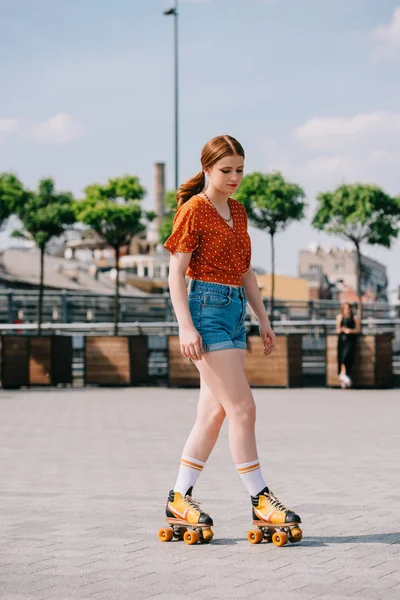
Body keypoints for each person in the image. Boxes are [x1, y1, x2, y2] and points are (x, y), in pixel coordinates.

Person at [161, 134, 301, 541]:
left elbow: (245, 272)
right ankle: (260, 498)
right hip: (205, 311)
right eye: (226, 170)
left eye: (240, 169)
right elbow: (174, 273)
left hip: (235, 311)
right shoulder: (193, 211)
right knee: (243, 407)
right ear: (207, 169)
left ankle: (179, 498)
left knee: (213, 413)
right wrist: (185, 326)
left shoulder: (237, 212)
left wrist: (264, 319)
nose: (235, 177)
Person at [336, 302, 361, 388]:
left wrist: (350, 331)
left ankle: (345, 377)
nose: (347, 310)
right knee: (341, 358)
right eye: (345, 308)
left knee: (348, 358)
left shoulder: (354, 317)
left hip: (350, 340)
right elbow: (337, 329)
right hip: (342, 340)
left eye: (348, 308)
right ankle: (344, 378)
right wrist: (342, 329)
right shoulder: (340, 317)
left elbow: (358, 329)